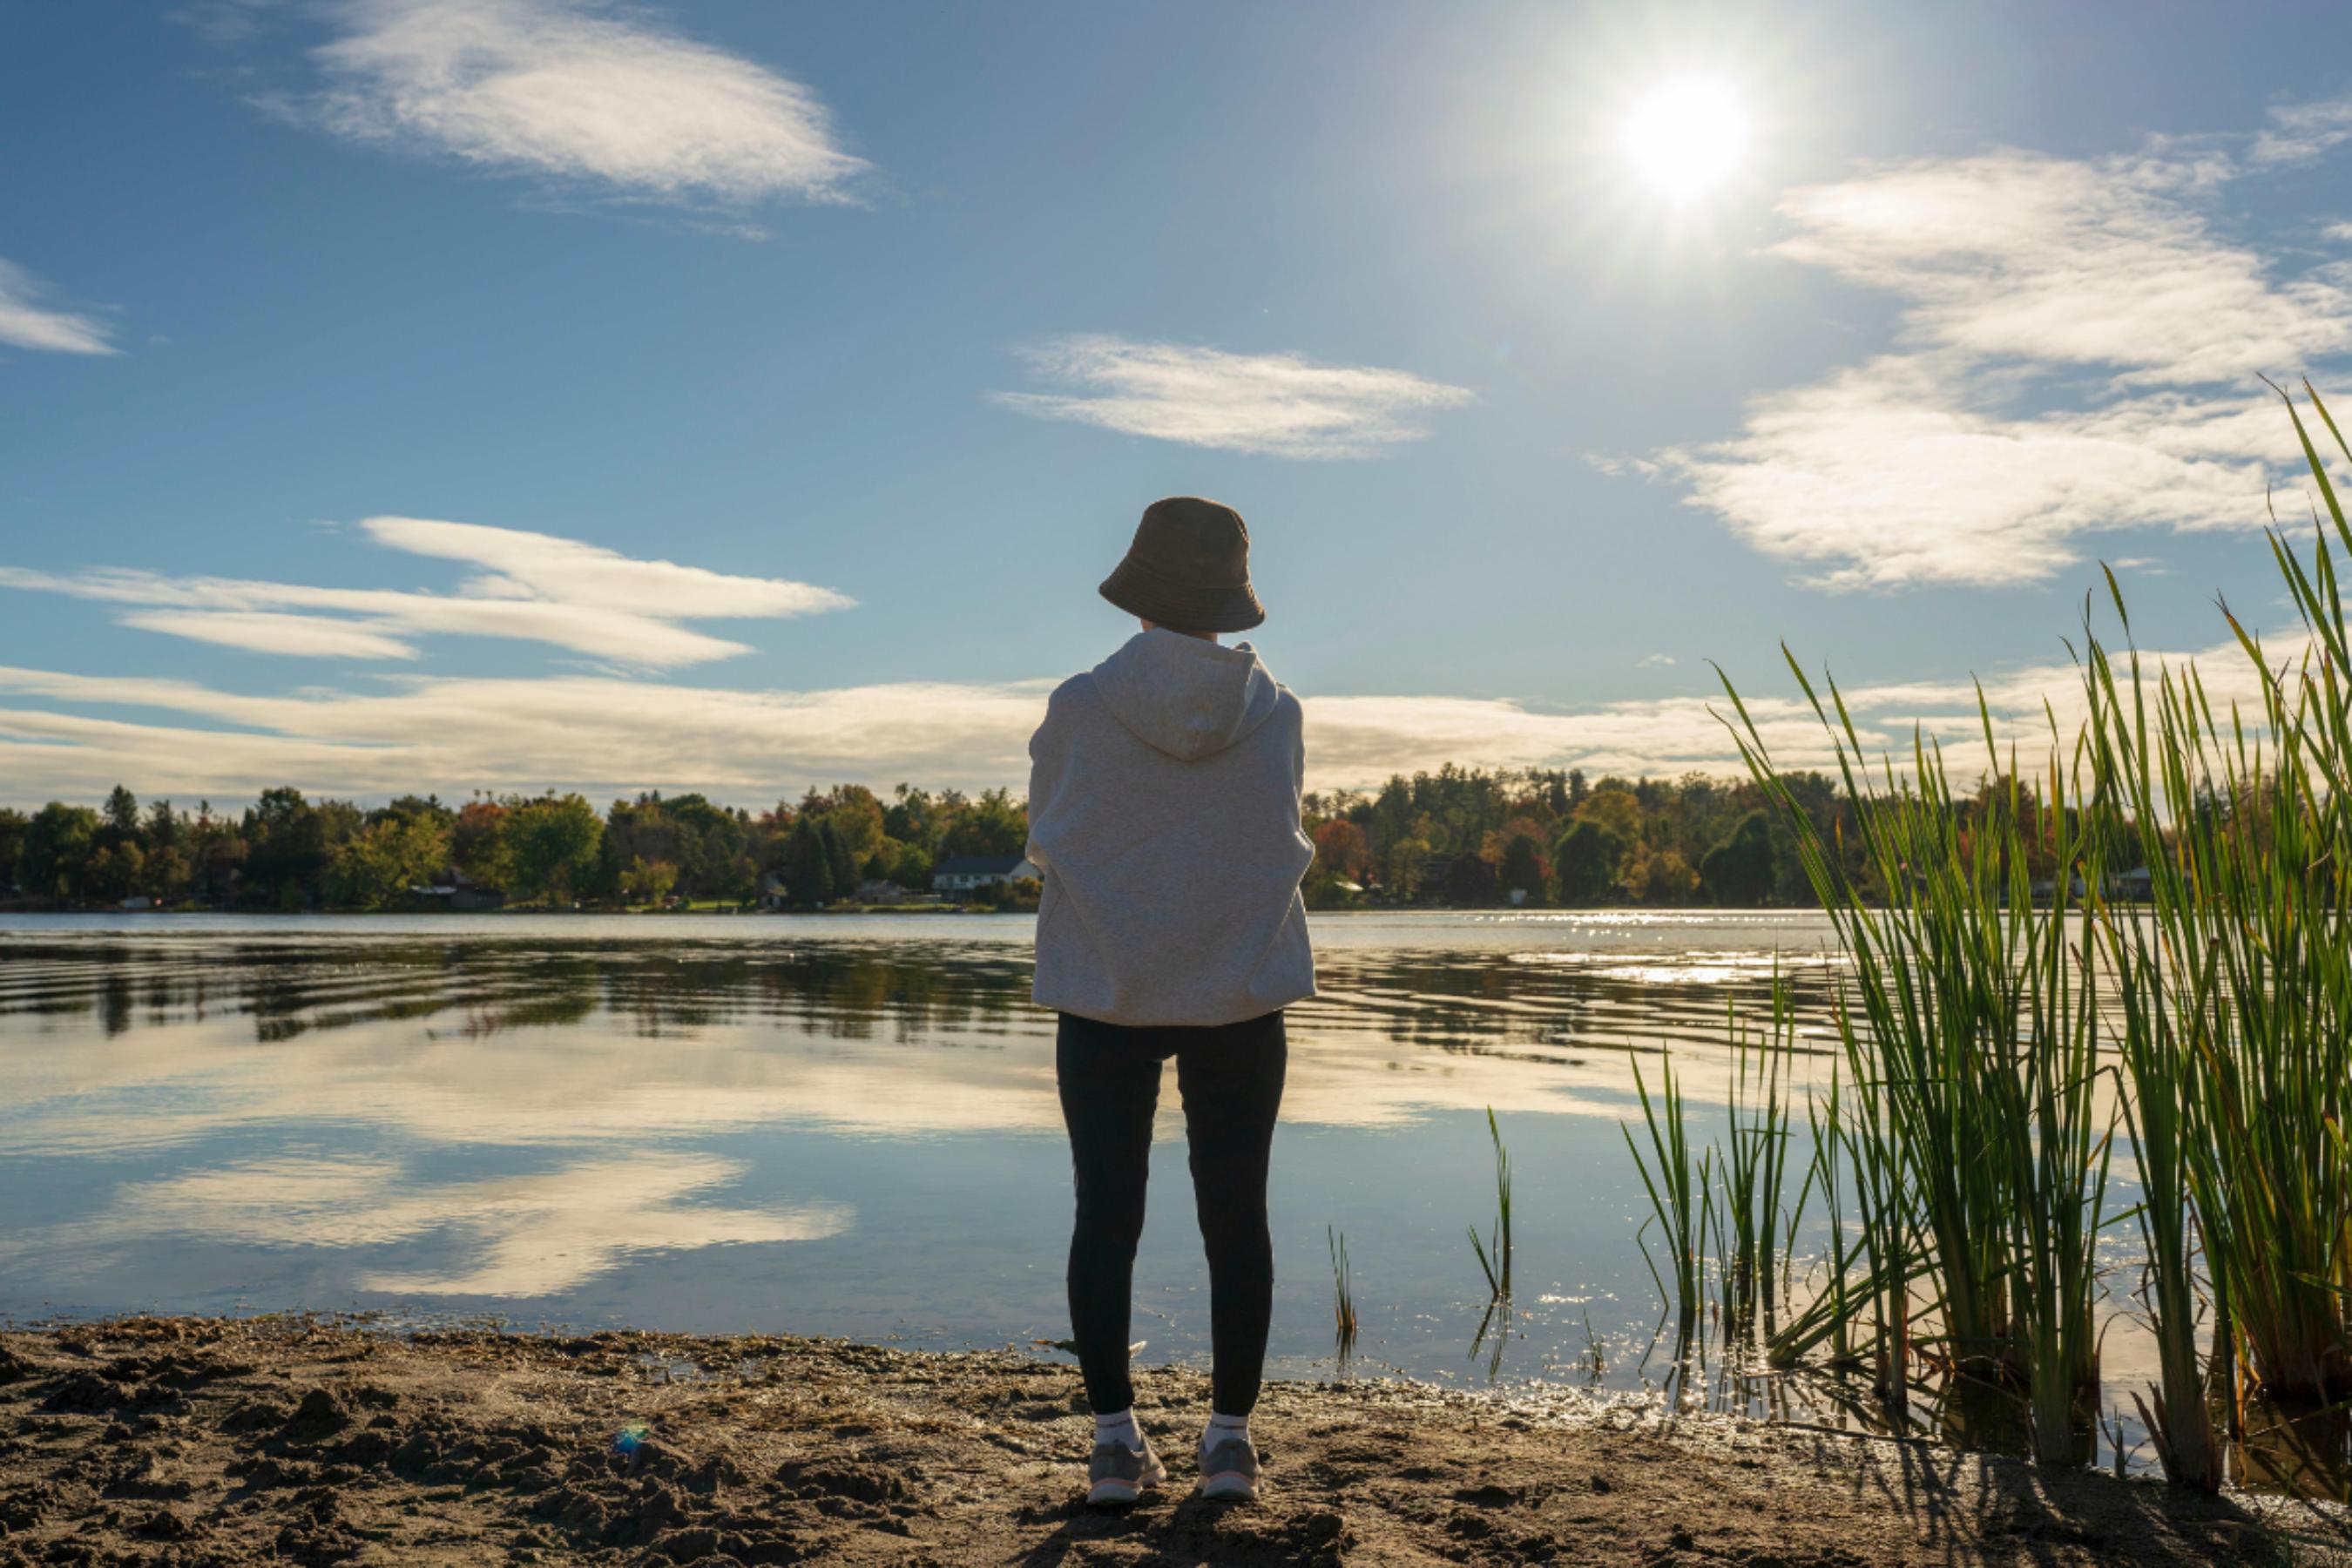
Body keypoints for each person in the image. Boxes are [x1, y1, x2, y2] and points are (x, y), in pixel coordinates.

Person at [1024, 496, 1316, 1508]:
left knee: (1105, 1214)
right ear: (1229, 603)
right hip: (1241, 992)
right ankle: (1229, 1446)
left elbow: (1050, 837)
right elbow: (1267, 843)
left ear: (1138, 594)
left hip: (1106, 988)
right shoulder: (1277, 711)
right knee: (1237, 1217)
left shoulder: (1078, 704)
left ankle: (1113, 1446)